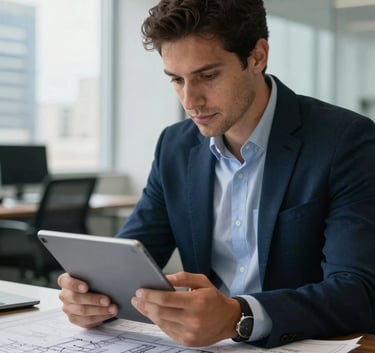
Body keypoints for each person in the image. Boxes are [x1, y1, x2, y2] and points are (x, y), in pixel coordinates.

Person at [57, 0, 375, 348]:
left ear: (257, 57)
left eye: (207, 76)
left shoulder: (346, 141)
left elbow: (358, 291)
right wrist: (91, 295)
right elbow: (129, 258)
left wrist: (240, 316)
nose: (190, 100)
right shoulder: (175, 147)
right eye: (176, 80)